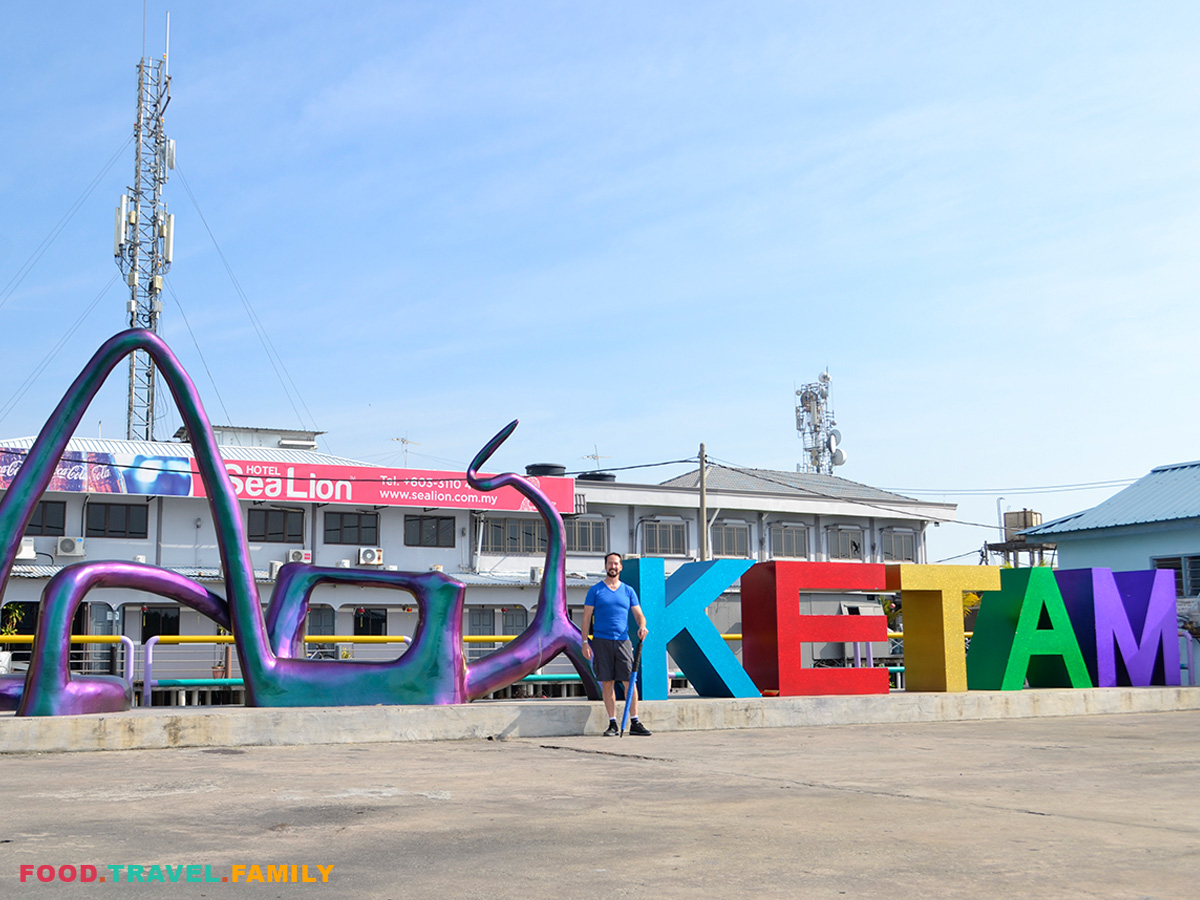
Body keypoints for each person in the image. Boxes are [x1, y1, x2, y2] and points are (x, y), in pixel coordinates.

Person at [581, 552, 651, 736]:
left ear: (621, 567)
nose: (613, 566)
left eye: (616, 564)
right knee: (607, 682)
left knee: (630, 681)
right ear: (606, 566)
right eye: (610, 563)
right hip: (601, 641)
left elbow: (639, 615)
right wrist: (584, 642)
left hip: (623, 641)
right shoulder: (595, 590)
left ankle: (634, 721)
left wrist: (642, 626)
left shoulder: (628, 591)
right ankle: (612, 722)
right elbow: (587, 618)